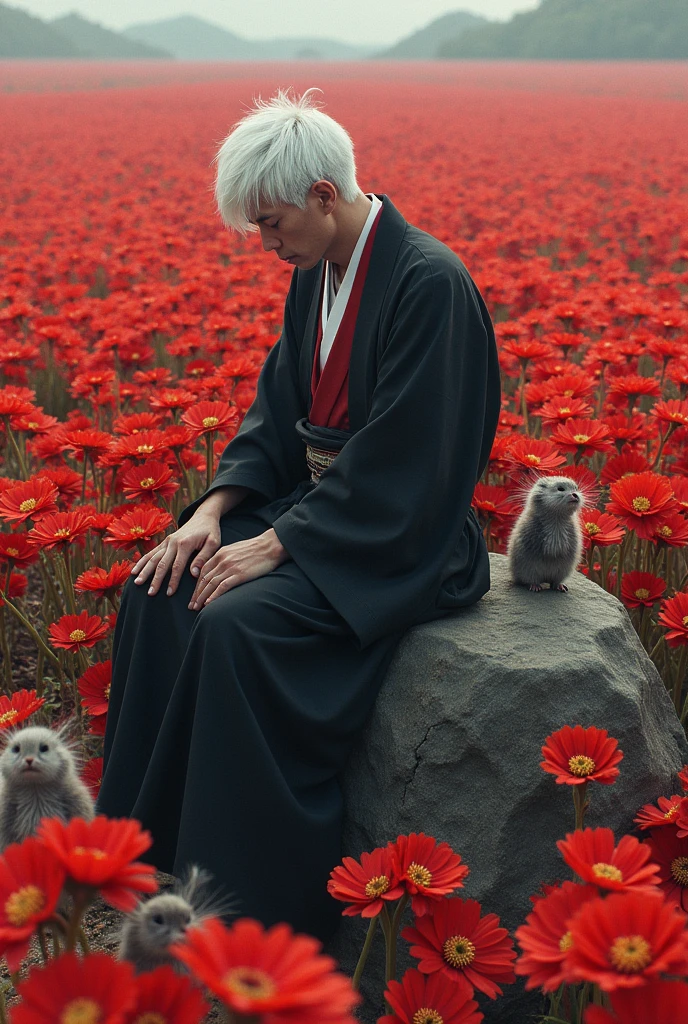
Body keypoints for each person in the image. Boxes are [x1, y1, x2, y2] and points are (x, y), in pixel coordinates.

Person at [98, 88, 501, 941]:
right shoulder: (318, 273)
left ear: (325, 193)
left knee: (236, 626)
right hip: (324, 512)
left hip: (402, 534)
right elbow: (277, 415)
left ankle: (256, 912)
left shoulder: (430, 283)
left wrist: (280, 544)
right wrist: (215, 512)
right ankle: (152, 853)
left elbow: (414, 462)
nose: (265, 243)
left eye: (272, 223)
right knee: (161, 585)